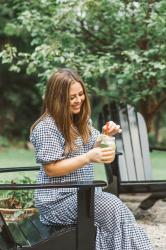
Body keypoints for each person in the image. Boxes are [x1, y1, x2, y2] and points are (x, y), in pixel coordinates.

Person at [30, 68, 152, 250]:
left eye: (80, 94)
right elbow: (51, 169)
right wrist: (87, 157)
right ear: (58, 98)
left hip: (82, 195)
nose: (78, 100)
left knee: (119, 211)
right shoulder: (47, 127)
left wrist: (106, 135)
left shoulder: (80, 121)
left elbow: (97, 148)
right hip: (57, 202)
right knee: (112, 208)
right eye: (72, 97)